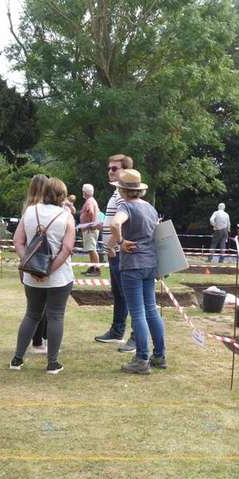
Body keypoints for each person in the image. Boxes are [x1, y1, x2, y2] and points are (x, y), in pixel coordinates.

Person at [10, 177, 75, 374]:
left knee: (31, 315)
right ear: (62, 196)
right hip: (60, 277)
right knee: (56, 316)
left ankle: (17, 359)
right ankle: (52, 363)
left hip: (32, 278)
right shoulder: (66, 217)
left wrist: (31, 265)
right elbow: (67, 249)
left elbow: (18, 241)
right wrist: (49, 270)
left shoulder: (30, 211)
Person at [107, 169, 166, 374]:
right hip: (151, 264)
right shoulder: (150, 207)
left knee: (138, 313)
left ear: (122, 190)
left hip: (132, 264)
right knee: (151, 309)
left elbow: (115, 223)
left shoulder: (125, 206)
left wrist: (120, 242)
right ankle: (159, 355)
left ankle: (141, 359)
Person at [93, 154, 136, 353]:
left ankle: (136, 337)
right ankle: (117, 331)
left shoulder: (122, 196)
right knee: (119, 294)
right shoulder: (116, 194)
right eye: (109, 168)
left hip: (120, 253)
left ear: (125, 171)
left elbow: (121, 223)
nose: (109, 171)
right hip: (115, 252)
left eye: (114, 168)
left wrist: (111, 245)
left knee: (130, 295)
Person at [20, 174, 50, 354]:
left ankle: (38, 340)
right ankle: (39, 341)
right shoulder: (45, 210)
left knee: (33, 305)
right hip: (43, 261)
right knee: (44, 306)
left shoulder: (26, 210)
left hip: (28, 261)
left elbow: (19, 240)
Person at [80, 183, 101, 276]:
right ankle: (92, 267)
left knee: (92, 249)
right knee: (90, 249)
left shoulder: (89, 201)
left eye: (83, 191)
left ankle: (96, 270)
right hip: (91, 228)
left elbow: (90, 212)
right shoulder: (92, 200)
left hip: (90, 229)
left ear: (85, 192)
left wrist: (91, 224)